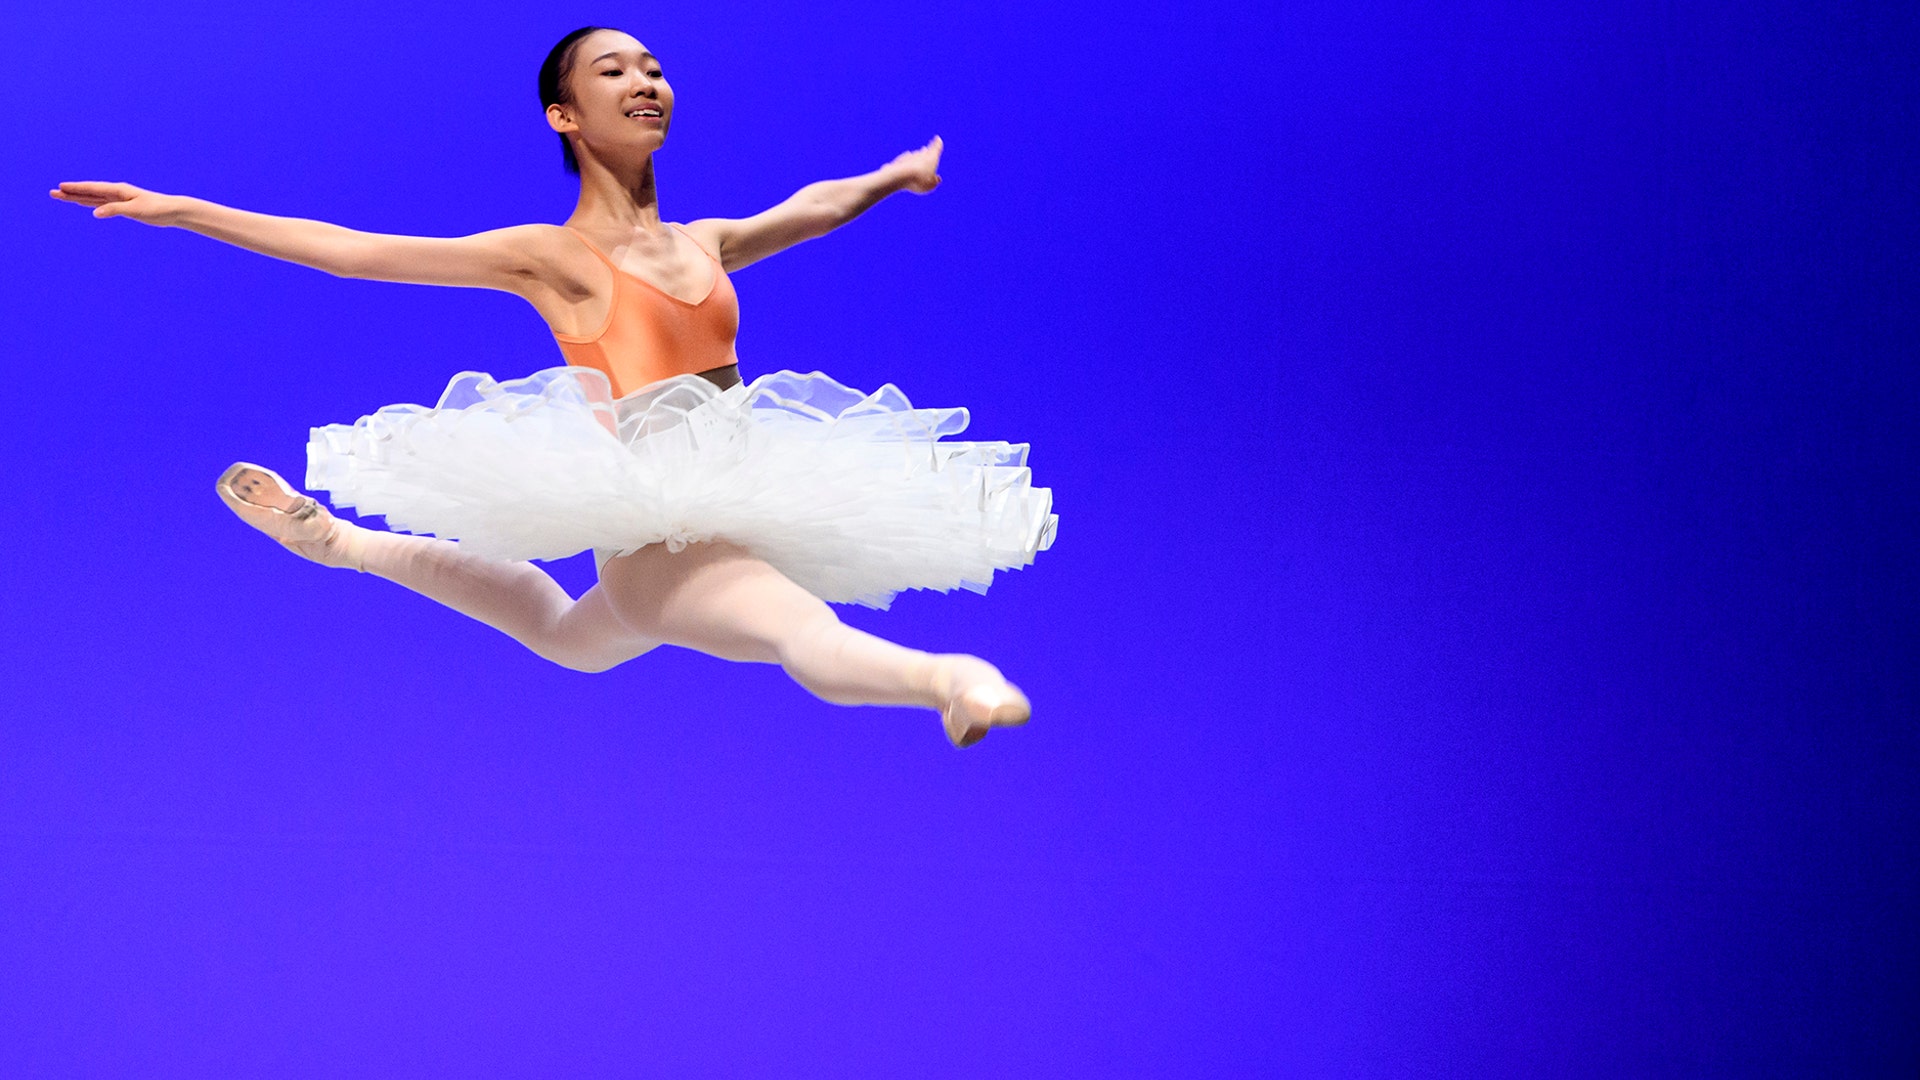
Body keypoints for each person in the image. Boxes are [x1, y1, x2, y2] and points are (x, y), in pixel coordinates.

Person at [50, 26, 1055, 748]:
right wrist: (181, 209)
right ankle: (950, 681)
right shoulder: (551, 256)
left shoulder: (703, 241)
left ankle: (337, 542)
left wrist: (891, 176)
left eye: (655, 67)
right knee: (800, 631)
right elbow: (360, 253)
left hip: (739, 489)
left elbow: (812, 207)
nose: (646, 80)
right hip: (665, 517)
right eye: (614, 70)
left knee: (572, 642)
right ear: (565, 114)